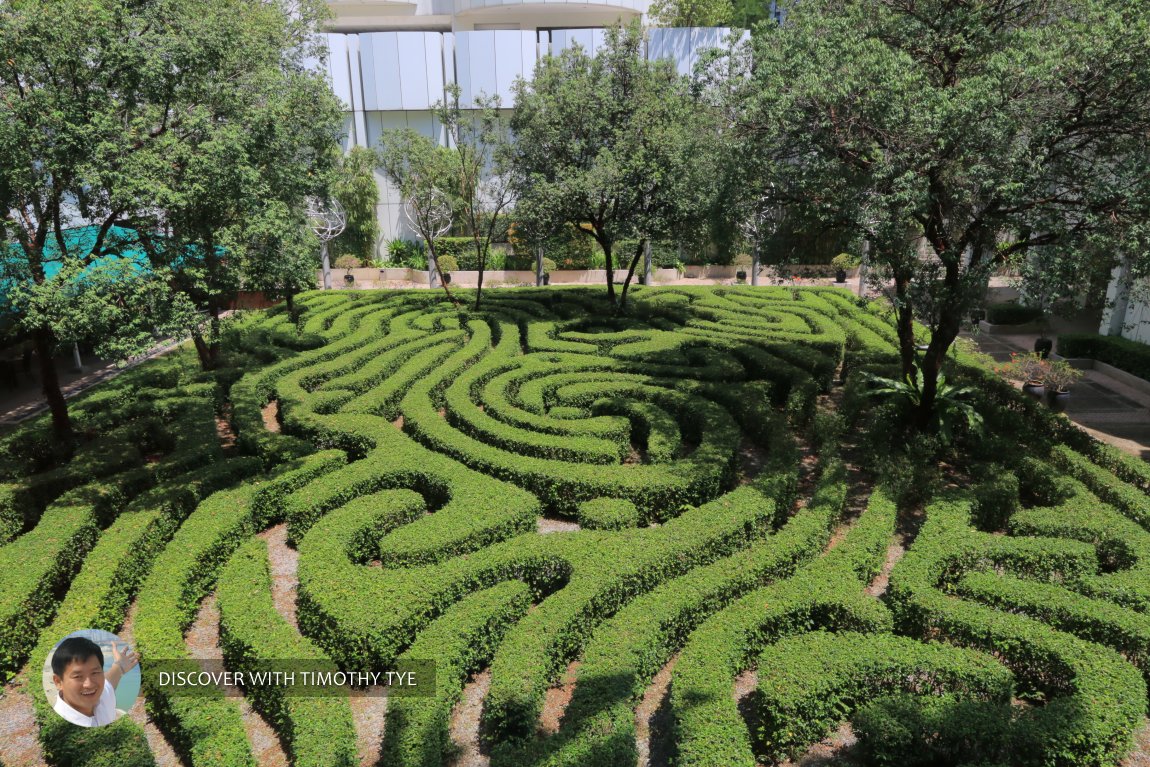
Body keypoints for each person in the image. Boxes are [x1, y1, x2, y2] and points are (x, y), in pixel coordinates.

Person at [50, 636, 138, 727]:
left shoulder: (102, 695)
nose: (89, 684)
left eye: (95, 673)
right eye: (78, 676)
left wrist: (120, 666)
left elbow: (109, 680)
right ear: (58, 682)